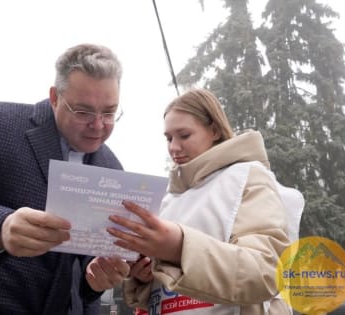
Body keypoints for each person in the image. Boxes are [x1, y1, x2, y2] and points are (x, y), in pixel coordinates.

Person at [0, 43, 130, 314]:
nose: (98, 126)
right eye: (83, 112)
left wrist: (96, 278)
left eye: (109, 112)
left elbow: (87, 262)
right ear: (54, 97)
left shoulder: (113, 168)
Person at [107, 88, 305, 314]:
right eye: (168, 137)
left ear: (214, 130)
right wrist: (145, 276)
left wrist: (180, 247)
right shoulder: (168, 199)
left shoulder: (247, 177)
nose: (173, 147)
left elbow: (267, 272)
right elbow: (166, 295)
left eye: (184, 135)